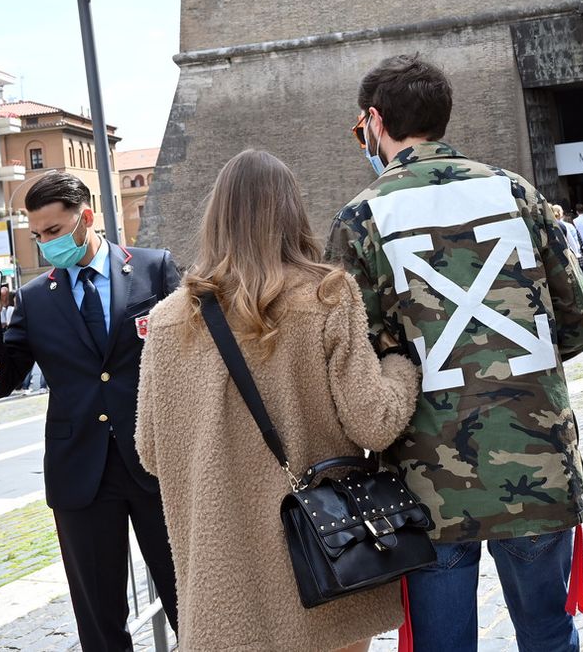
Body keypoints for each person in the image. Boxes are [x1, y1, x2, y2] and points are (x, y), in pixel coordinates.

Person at [325, 54, 583, 652]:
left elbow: (355, 362)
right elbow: (575, 325)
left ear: (374, 120)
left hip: (428, 485)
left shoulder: (362, 217)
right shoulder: (515, 192)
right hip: (538, 460)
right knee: (549, 635)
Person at [136, 149, 420, 652]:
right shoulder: (328, 296)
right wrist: (400, 367)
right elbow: (374, 422)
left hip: (222, 584)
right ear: (292, 211)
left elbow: (151, 452)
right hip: (324, 564)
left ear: (215, 219)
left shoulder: (166, 321)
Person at [0, 172, 180, 651]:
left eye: (54, 231)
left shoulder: (155, 269)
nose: (46, 245)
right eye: (37, 236)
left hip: (157, 463)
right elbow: (0, 383)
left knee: (191, 601)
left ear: (86, 218)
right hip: (79, 477)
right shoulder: (33, 299)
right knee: (100, 623)